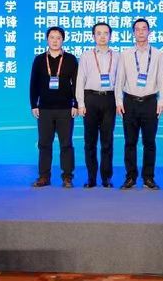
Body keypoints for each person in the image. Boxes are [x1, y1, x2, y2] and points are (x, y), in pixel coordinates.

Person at [114, 18, 163, 190]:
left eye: (144, 29)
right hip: (129, 102)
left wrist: (162, 100)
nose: (141, 32)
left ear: (149, 32)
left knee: (149, 142)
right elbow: (119, 79)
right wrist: (118, 100)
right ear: (133, 32)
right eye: (137, 29)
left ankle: (148, 178)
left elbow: (162, 78)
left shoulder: (157, 54)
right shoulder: (126, 54)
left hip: (150, 102)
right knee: (130, 142)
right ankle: (130, 177)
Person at [29, 26, 78, 188]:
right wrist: (34, 104)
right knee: (44, 144)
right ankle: (44, 177)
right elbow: (34, 83)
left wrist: (76, 104)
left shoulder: (70, 59)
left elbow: (76, 84)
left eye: (58, 38)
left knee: (66, 144)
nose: (55, 41)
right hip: (45, 108)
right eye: (52, 37)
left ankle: (67, 177)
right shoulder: (39, 60)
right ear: (47, 39)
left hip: (65, 108)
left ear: (63, 40)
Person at [75, 22, 119, 188]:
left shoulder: (118, 56)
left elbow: (120, 81)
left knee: (107, 141)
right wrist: (80, 103)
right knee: (90, 141)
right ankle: (91, 178)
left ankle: (106, 178)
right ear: (93, 36)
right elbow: (80, 80)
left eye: (105, 33)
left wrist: (119, 101)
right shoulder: (86, 56)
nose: (102, 36)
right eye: (98, 33)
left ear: (110, 36)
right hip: (90, 99)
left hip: (109, 99)